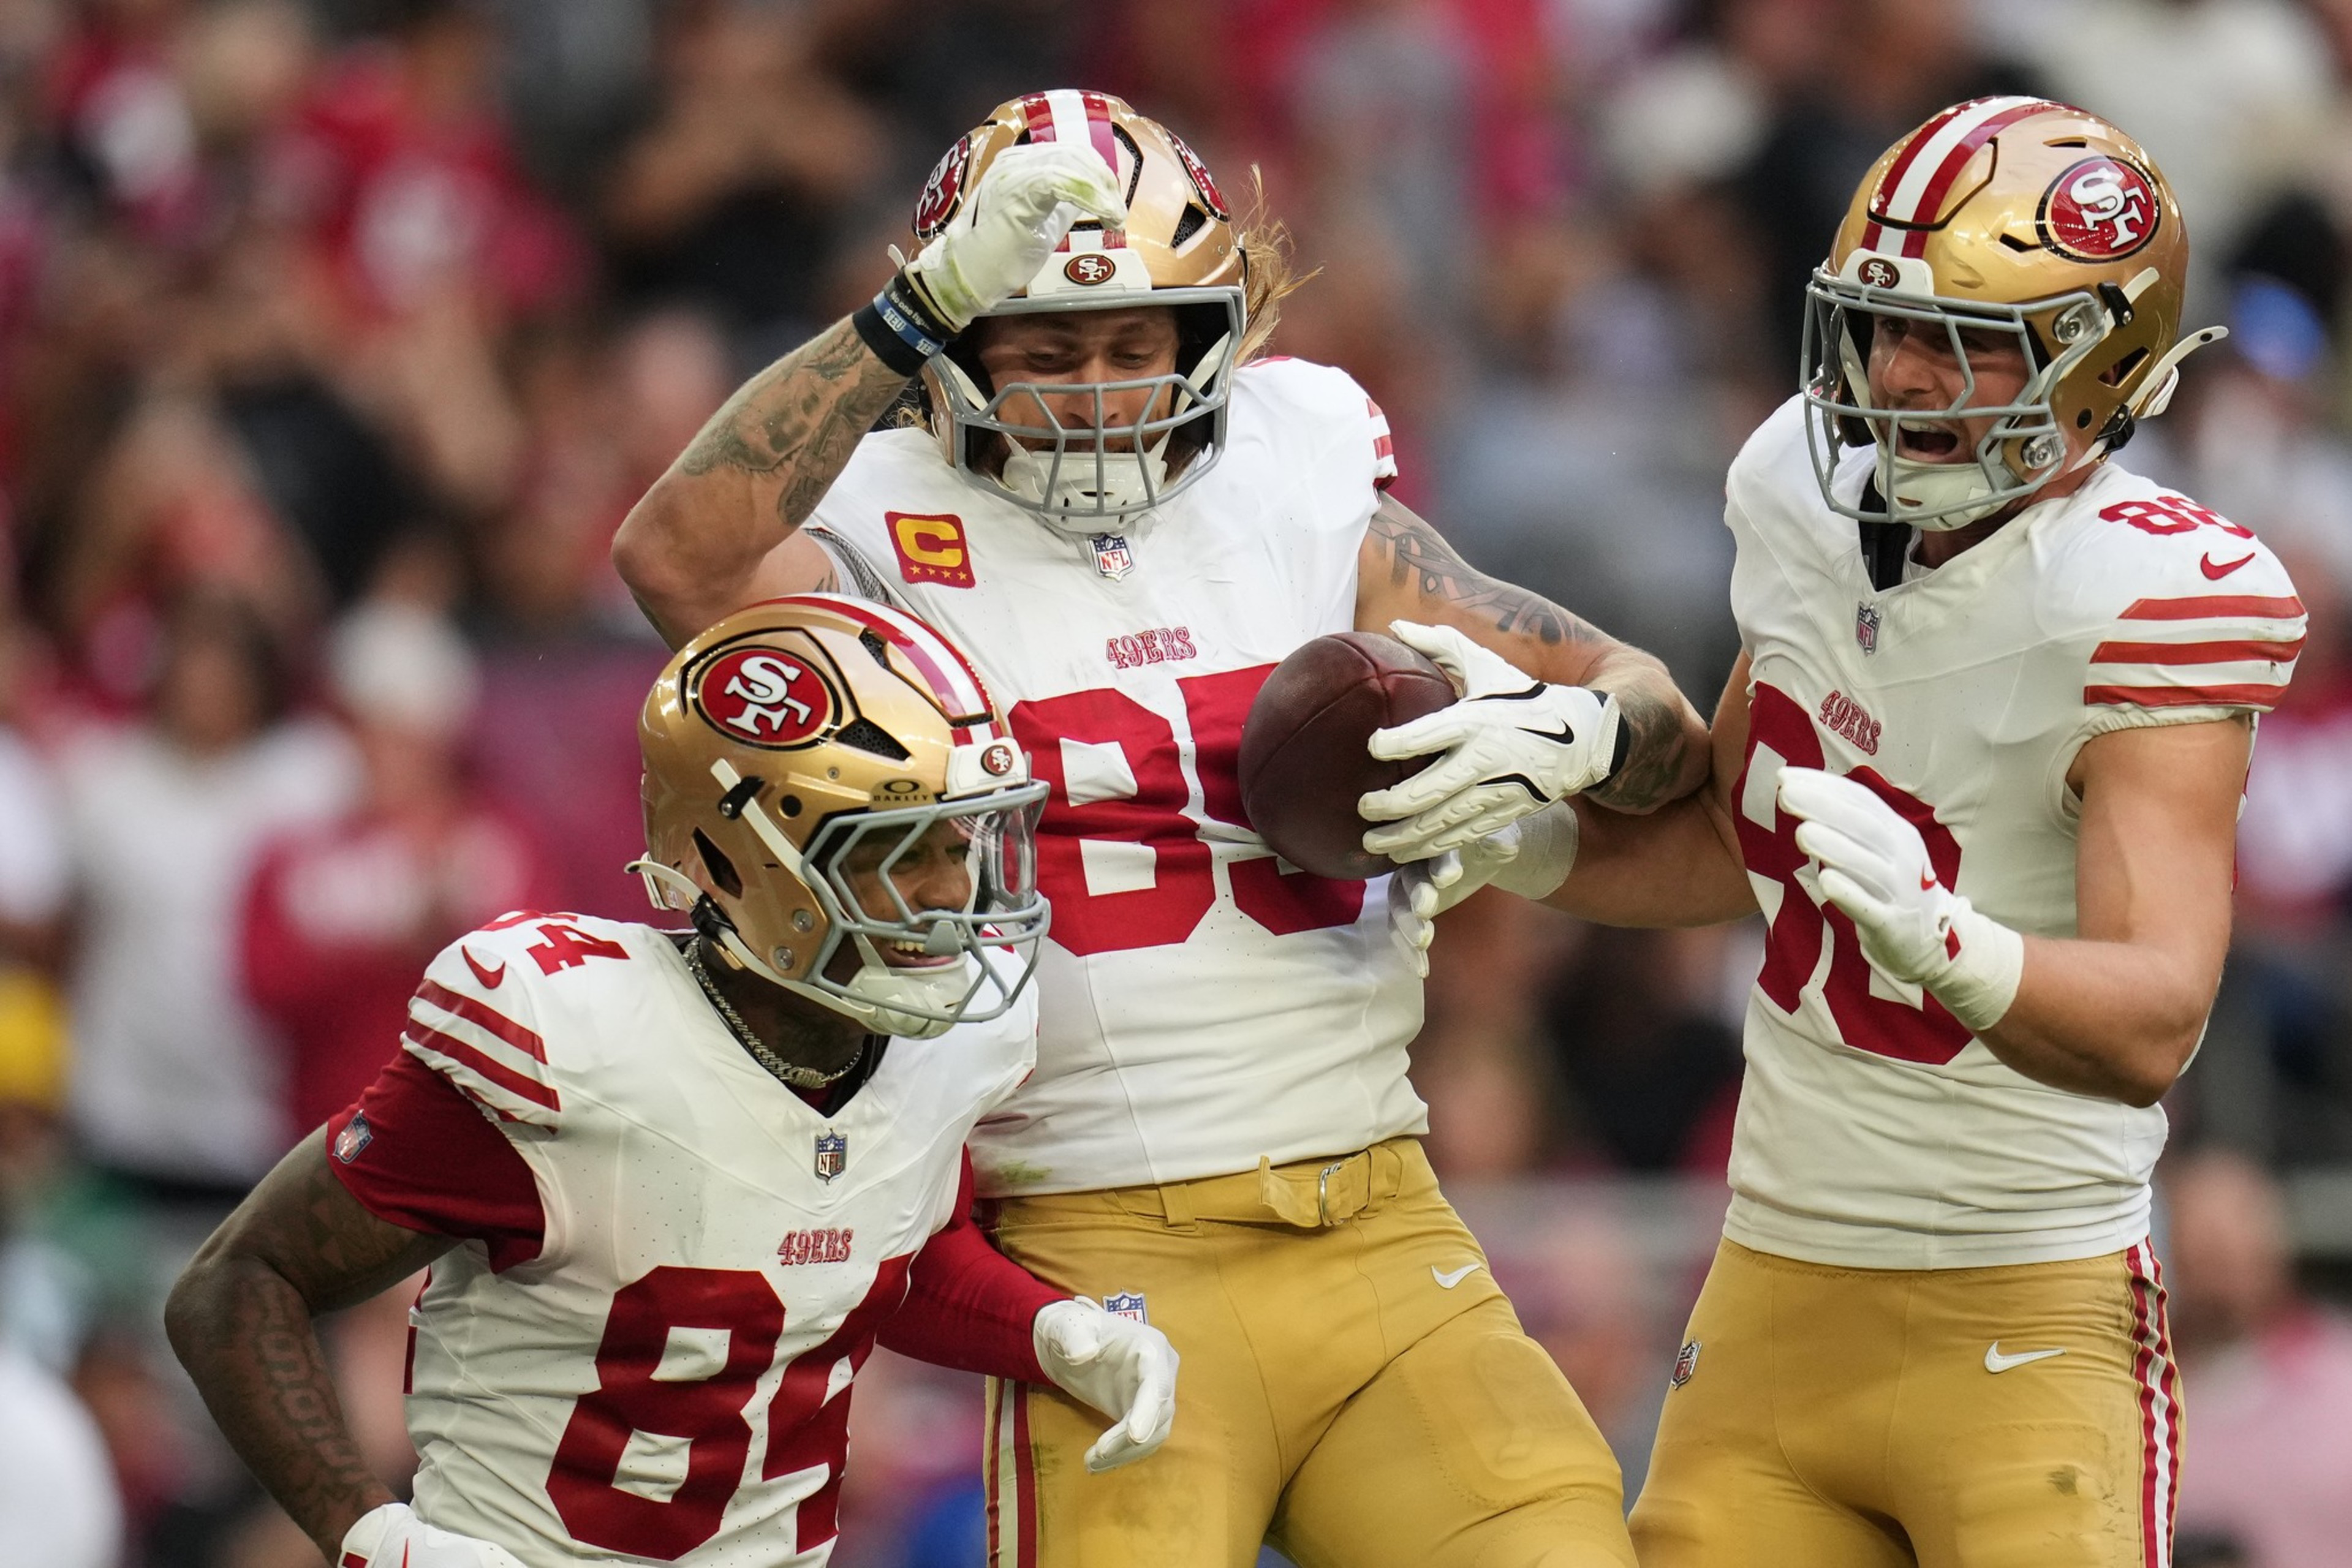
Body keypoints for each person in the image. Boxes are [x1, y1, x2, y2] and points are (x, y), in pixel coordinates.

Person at [613, 89, 1711, 1568]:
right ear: (952, 343)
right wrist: (905, 312)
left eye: (1137, 344)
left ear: (1210, 334)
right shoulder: (877, 517)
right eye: (1042, 347)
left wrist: (1571, 730)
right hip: (1094, 1247)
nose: (1096, 389)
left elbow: (1652, 718)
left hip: (1377, 1219)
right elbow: (672, 560)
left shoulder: (1299, 464)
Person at [1424, 97, 2305, 1567]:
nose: (1899, 375)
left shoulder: (2142, 600)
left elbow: (2155, 1015)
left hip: (2023, 1312)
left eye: (1963, 345)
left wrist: (1953, 948)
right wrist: (1528, 840)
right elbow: (1738, 835)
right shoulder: (1792, 493)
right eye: (1883, 325)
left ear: (2100, 368)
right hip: (1774, 1289)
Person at [165, 597, 1180, 1568]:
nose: (955, 890)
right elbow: (234, 1286)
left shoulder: (948, 1042)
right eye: (901, 851)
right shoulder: (569, 1044)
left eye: (962, 837)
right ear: (743, 862)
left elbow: (877, 1256)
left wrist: (1051, 1329)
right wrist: (373, 1532)